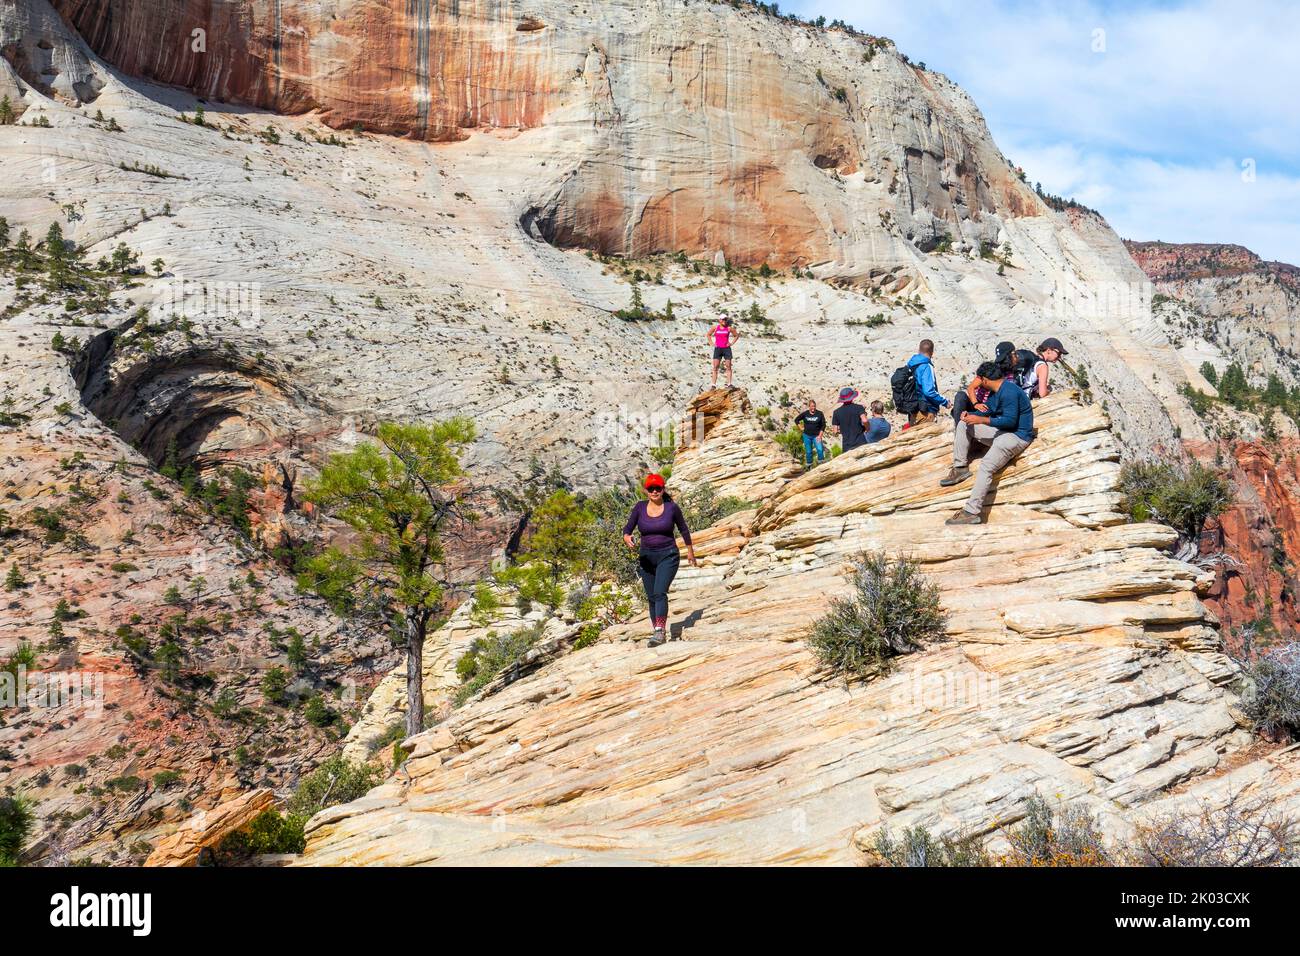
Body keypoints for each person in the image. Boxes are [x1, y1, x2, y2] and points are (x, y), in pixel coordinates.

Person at [938, 361, 1035, 525]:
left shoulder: (1009, 392)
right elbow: (988, 409)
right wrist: (970, 415)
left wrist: (981, 419)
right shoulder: (998, 391)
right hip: (1004, 432)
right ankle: (960, 467)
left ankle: (971, 511)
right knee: (964, 424)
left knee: (986, 466)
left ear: (984, 379)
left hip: (1016, 436)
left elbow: (1010, 422)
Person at [623, 473, 698, 646]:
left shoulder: (671, 508)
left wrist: (690, 551)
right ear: (646, 491)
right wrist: (627, 537)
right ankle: (657, 630)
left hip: (668, 555)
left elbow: (684, 529)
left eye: (658, 488)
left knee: (659, 592)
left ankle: (660, 632)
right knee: (651, 597)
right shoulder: (639, 508)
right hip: (646, 557)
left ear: (663, 489)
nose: (655, 491)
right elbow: (627, 529)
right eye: (651, 488)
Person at [951, 341, 1016, 421]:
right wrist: (976, 404)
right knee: (960, 396)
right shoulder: (990, 370)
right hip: (978, 405)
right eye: (1014, 353)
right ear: (1008, 356)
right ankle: (959, 427)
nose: (1016, 356)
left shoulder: (1014, 372)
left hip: (992, 409)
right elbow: (971, 387)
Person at [904, 339, 950, 425]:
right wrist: (945, 401)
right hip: (925, 411)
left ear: (919, 350)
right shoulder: (926, 366)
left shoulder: (911, 365)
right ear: (932, 352)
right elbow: (929, 391)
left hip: (913, 409)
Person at [831, 386, 869, 452]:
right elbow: (865, 420)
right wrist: (868, 428)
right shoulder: (859, 407)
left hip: (847, 445)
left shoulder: (836, 412)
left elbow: (835, 431)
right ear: (852, 397)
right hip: (861, 442)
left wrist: (843, 430)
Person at [793, 399, 828, 467]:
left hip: (816, 436)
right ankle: (809, 466)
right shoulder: (805, 413)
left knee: (820, 450)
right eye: (812, 406)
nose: (813, 408)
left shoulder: (820, 413)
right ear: (809, 407)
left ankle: (821, 466)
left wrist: (820, 435)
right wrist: (800, 427)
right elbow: (796, 420)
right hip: (807, 436)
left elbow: (823, 425)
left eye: (814, 406)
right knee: (808, 452)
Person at [709, 316, 738, 388]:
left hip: (726, 349)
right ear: (719, 320)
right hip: (718, 348)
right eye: (723, 319)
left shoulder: (728, 328)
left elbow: (736, 335)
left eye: (725, 319)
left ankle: (729, 383)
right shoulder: (715, 328)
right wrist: (712, 343)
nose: (724, 320)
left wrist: (731, 343)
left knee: (728, 366)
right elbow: (708, 334)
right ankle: (713, 384)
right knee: (715, 366)